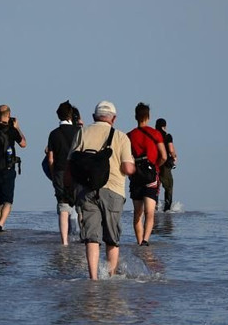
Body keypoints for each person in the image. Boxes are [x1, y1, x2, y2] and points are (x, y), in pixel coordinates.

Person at [67, 101, 134, 279]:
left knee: (91, 237)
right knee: (112, 237)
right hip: (113, 190)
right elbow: (127, 168)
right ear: (114, 118)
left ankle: (93, 278)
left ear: (94, 117)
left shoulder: (82, 132)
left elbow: (70, 163)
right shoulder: (120, 137)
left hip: (86, 191)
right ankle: (110, 277)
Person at [0, 104, 26, 232]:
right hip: (7, 167)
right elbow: (23, 143)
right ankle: (0, 225)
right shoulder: (12, 130)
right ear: (9, 115)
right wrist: (17, 127)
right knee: (8, 200)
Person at [128, 103, 167, 246]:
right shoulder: (155, 134)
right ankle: (145, 241)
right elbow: (163, 156)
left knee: (138, 213)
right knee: (150, 212)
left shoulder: (130, 135)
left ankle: (139, 243)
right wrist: (155, 166)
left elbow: (126, 157)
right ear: (148, 117)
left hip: (136, 177)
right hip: (151, 177)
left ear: (135, 116)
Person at [47, 101, 81, 245]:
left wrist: (53, 174)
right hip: (76, 171)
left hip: (60, 171)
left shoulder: (54, 134)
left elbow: (50, 159)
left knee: (63, 208)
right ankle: (83, 238)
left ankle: (64, 242)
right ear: (70, 115)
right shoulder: (79, 131)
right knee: (80, 206)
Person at [155, 118, 178, 212]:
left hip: (154, 163)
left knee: (155, 186)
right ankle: (167, 209)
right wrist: (174, 157)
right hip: (164, 164)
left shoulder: (153, 135)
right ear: (165, 126)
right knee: (168, 186)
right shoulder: (167, 136)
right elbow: (171, 149)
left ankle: (154, 206)